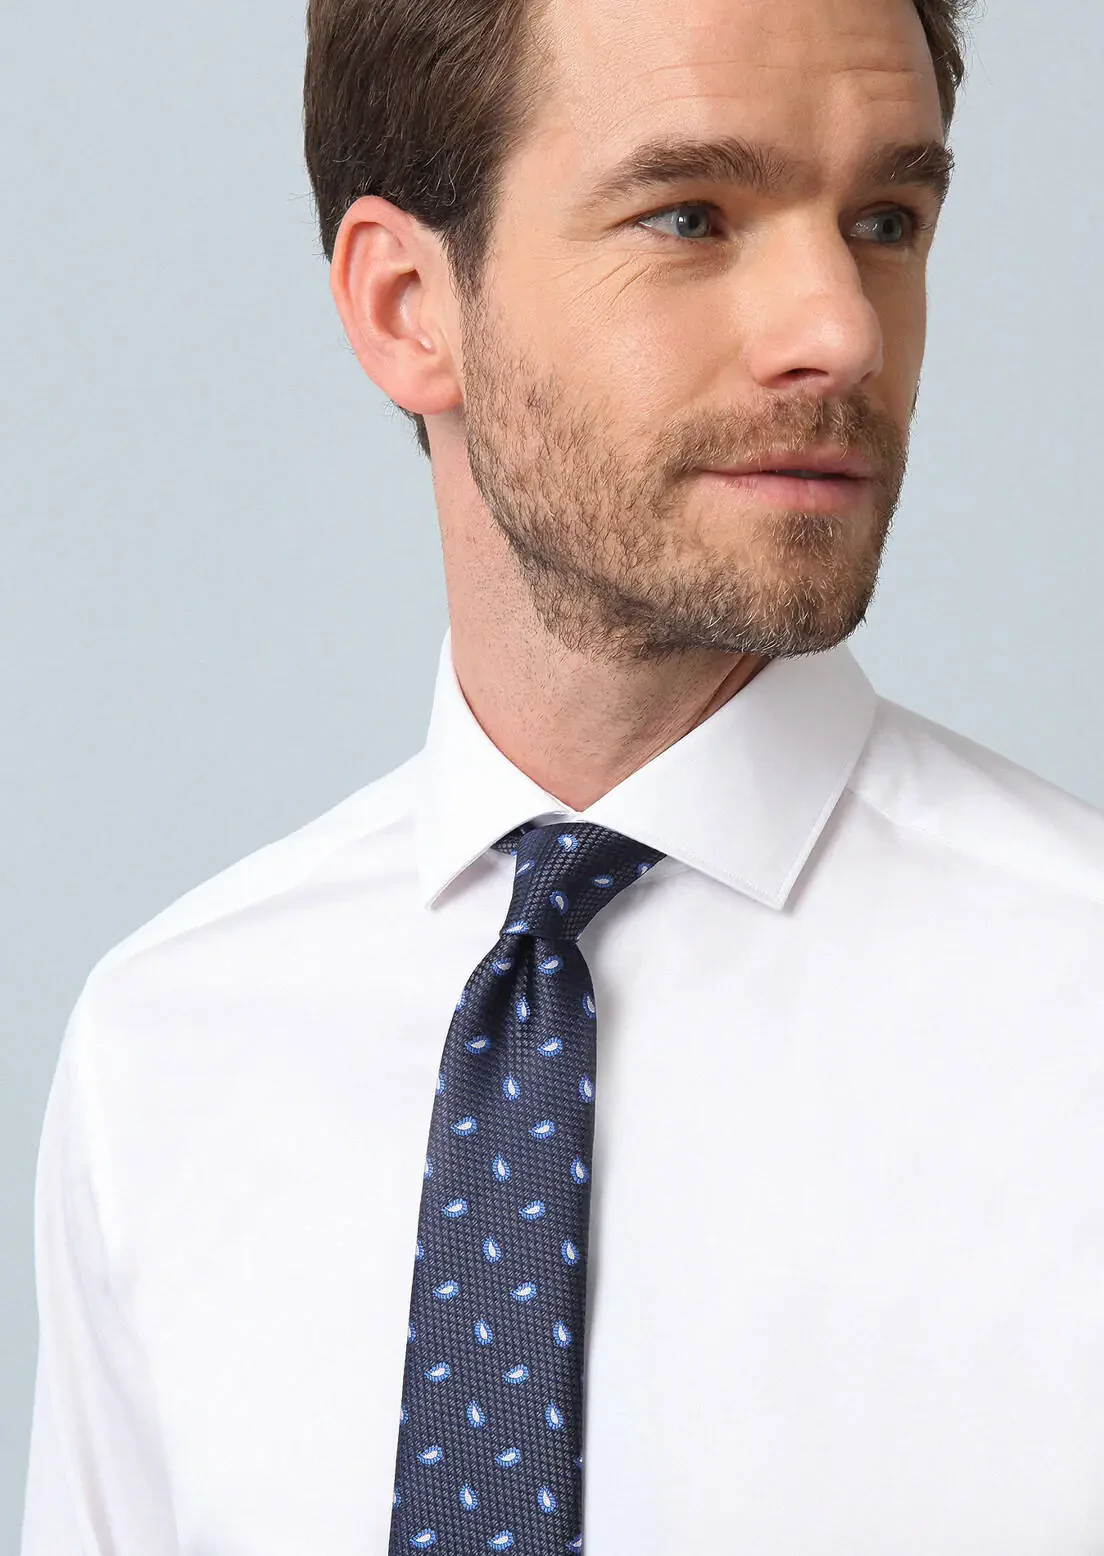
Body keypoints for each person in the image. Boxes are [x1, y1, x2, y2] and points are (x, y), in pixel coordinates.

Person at [20, 0, 1104, 1548]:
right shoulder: (161, 1058)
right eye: (691, 215)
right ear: (408, 305)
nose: (843, 330)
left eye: (885, 220)